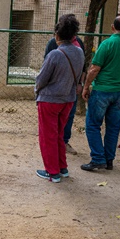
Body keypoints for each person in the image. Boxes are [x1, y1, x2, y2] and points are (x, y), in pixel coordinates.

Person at [81, 14, 120, 171]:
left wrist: (86, 86)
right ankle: (109, 160)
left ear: (113, 27)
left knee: (93, 125)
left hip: (102, 90)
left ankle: (97, 158)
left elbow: (94, 68)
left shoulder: (107, 44)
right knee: (113, 127)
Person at [35, 14, 85, 182]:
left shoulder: (55, 54)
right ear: (74, 35)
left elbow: (41, 79)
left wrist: (37, 90)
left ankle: (52, 172)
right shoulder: (79, 52)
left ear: (57, 34)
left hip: (50, 100)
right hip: (68, 99)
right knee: (59, 134)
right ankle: (62, 168)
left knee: (48, 136)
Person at [43, 18, 87, 155]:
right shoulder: (53, 44)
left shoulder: (79, 45)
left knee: (68, 117)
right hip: (61, 91)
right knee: (58, 120)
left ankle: (63, 142)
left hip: (66, 91)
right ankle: (56, 144)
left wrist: (80, 83)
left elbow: (83, 67)